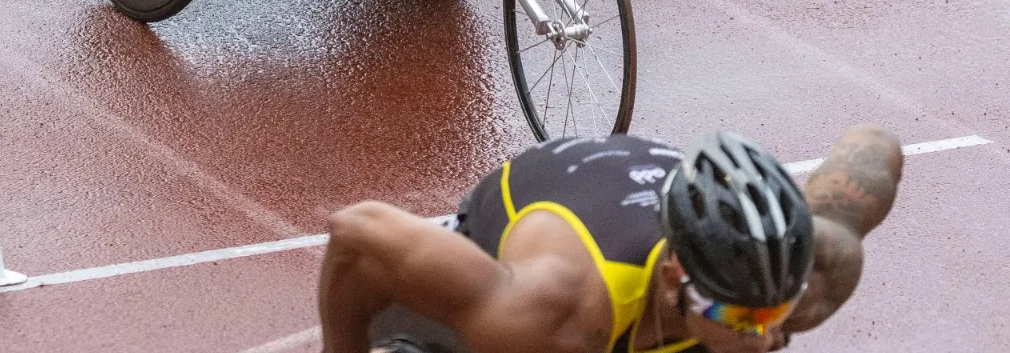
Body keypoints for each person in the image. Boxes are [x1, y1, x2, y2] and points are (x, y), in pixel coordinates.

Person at [319, 126, 903, 353]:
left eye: (776, 308)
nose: (771, 336)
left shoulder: (811, 269)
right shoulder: (550, 315)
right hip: (522, 224)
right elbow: (356, 234)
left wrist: (753, 311)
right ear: (678, 275)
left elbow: (875, 147)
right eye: (745, 317)